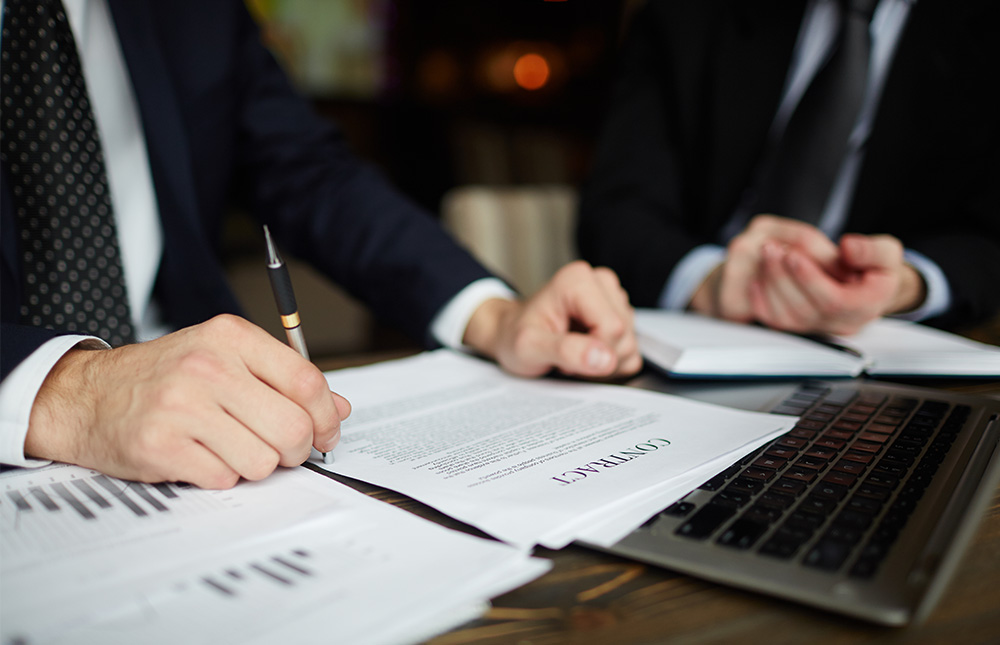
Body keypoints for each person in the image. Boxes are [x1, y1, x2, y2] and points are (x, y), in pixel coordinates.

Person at [0, 0, 641, 489]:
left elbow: (311, 172)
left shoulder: (193, 11)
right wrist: (68, 393)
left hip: (218, 448)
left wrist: (494, 317)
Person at [577, 0, 1000, 337]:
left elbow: (988, 237)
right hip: (702, 331)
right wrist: (709, 281)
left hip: (888, 345)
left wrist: (908, 283)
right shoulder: (692, 12)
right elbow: (617, 207)